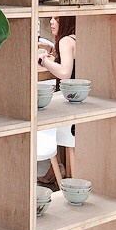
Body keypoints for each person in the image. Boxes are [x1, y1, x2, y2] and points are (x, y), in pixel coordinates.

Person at [37, 15, 76, 184]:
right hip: (80, 101)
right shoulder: (77, 37)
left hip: (69, 105)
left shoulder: (66, 41)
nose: (51, 22)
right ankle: (55, 168)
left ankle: (56, 164)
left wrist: (42, 60)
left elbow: (65, 73)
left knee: (41, 108)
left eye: (57, 19)